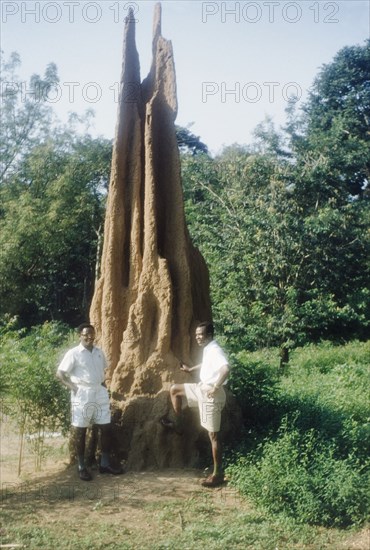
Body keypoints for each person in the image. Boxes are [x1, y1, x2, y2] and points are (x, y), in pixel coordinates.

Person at [161, 322, 230, 488]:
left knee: (213, 435)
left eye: (201, 334)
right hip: (202, 388)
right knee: (175, 390)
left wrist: (215, 387)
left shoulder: (216, 350)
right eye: (197, 334)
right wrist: (191, 369)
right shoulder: (208, 349)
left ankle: (217, 474)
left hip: (210, 395)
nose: (198, 337)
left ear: (210, 335)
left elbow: (226, 369)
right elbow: (207, 365)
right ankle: (179, 424)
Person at [56, 323, 123, 481]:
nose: (89, 337)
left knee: (105, 427)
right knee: (81, 429)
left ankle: (104, 464)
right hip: (82, 392)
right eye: (85, 334)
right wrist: (73, 388)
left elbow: (102, 372)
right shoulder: (74, 353)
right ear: (80, 335)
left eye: (92, 334)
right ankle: (81, 466)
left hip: (99, 391)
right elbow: (60, 374)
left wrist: (104, 389)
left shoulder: (99, 352)